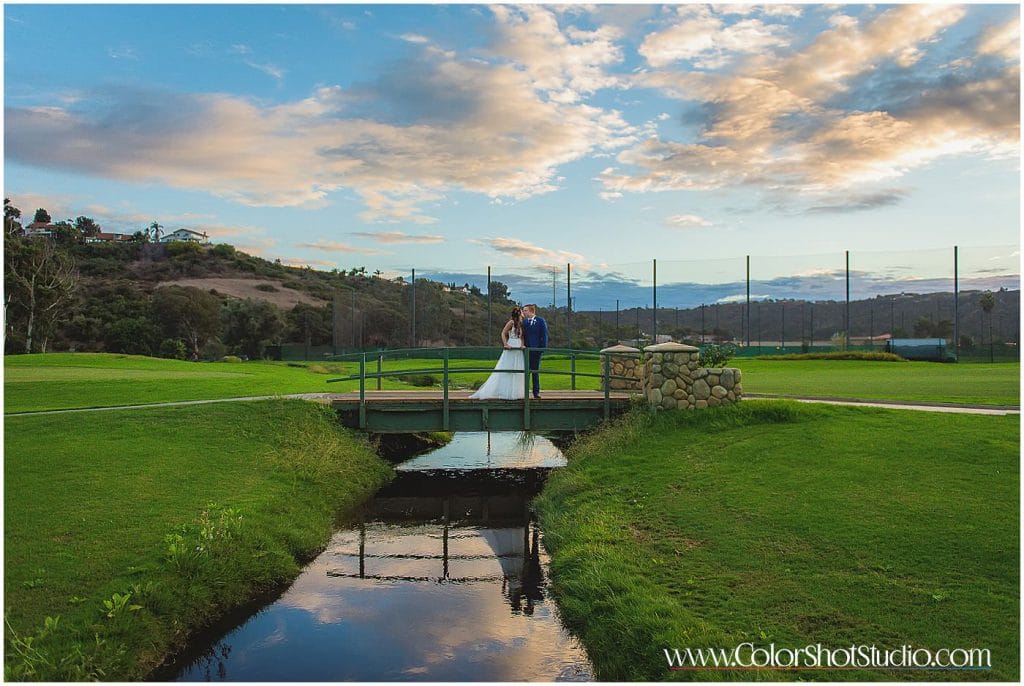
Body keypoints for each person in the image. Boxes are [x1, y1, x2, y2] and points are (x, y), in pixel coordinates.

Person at [470, 307, 526, 400]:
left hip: (518, 346)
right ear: (519, 314)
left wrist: (523, 345)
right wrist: (505, 344)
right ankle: (506, 392)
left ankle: (516, 392)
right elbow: (503, 333)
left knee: (517, 369)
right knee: (508, 368)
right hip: (511, 343)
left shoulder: (522, 324)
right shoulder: (511, 323)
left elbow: (522, 337)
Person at [521, 304, 548, 399]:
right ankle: (524, 391)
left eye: (525, 310)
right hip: (526, 350)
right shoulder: (524, 322)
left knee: (535, 372)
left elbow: (544, 335)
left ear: (531, 311)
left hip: (536, 350)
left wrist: (541, 349)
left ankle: (536, 392)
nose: (523, 312)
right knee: (525, 371)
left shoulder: (540, 321)